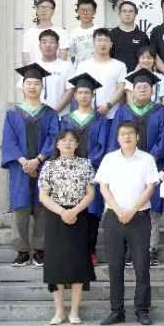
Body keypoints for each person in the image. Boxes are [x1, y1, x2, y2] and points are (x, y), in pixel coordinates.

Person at [96, 121, 158, 326]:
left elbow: (150, 188)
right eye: (122, 134)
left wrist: (132, 210)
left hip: (139, 217)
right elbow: (103, 187)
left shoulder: (147, 159)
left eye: (130, 133)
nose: (127, 137)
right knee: (115, 266)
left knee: (142, 266)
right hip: (114, 217)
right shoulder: (109, 159)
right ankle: (117, 311)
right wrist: (117, 209)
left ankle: (142, 309)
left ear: (137, 137)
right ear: (118, 138)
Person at [109, 70, 164, 268]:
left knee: (152, 209)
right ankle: (130, 249)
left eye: (146, 86)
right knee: (128, 204)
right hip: (127, 166)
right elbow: (116, 137)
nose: (143, 89)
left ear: (152, 90)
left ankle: (151, 249)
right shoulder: (123, 111)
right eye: (139, 86)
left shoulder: (161, 111)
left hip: (154, 165)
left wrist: (151, 157)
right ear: (133, 90)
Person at [2, 64, 60, 267]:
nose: (32, 86)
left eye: (36, 83)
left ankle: (40, 249)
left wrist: (38, 160)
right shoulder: (12, 114)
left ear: (42, 87)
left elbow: (54, 138)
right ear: (23, 86)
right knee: (20, 207)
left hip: (43, 166)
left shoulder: (50, 113)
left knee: (42, 206)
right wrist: (23, 161)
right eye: (29, 83)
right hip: (20, 168)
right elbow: (9, 141)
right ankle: (22, 251)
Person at [38, 129, 96, 325]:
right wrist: (63, 212)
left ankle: (74, 311)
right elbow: (43, 196)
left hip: (79, 216)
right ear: (57, 144)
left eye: (72, 140)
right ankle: (59, 310)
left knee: (78, 262)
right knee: (56, 264)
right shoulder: (49, 166)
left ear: (77, 144)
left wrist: (74, 211)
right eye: (63, 140)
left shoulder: (85, 164)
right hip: (55, 217)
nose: (68, 143)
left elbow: (90, 194)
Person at [59, 73, 109, 266]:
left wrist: (88, 163)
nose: (83, 96)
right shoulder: (66, 120)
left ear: (93, 95)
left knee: (92, 212)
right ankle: (73, 251)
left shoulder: (101, 120)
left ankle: (90, 250)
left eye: (87, 92)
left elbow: (103, 145)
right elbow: (62, 144)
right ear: (74, 95)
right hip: (69, 172)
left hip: (93, 171)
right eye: (80, 92)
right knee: (71, 209)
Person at [74, 28, 128, 120]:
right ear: (93, 43)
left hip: (113, 115)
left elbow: (121, 88)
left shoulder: (120, 65)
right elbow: (79, 90)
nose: (103, 44)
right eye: (99, 40)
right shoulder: (83, 66)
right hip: (88, 116)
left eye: (106, 40)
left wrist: (108, 105)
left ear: (111, 44)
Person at [28, 29, 74, 116]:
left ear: (57, 45)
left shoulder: (67, 66)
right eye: (44, 42)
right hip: (36, 116)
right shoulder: (32, 66)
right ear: (39, 46)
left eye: (52, 42)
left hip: (60, 116)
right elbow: (26, 91)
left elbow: (70, 90)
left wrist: (53, 113)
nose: (48, 45)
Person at [22, 0, 70, 64]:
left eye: (47, 8)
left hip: (56, 70)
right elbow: (26, 59)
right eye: (41, 7)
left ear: (53, 11)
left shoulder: (62, 32)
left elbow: (63, 58)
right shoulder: (28, 33)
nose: (43, 10)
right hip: (34, 70)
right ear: (37, 10)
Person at [109, 1, 150, 73]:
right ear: (119, 14)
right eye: (124, 11)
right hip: (116, 75)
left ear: (136, 14)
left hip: (137, 76)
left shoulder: (142, 36)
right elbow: (106, 57)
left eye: (131, 11)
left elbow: (147, 58)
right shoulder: (111, 35)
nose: (127, 14)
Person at [68, 0, 98, 67]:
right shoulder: (73, 33)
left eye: (88, 10)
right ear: (78, 12)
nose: (85, 13)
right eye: (82, 10)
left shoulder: (99, 32)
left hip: (96, 68)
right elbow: (71, 56)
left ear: (94, 12)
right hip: (79, 69)